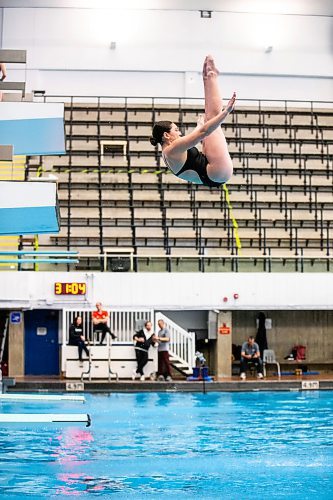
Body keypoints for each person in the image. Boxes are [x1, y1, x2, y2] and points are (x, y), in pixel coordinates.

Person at [150, 55, 236, 188]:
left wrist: (198, 126)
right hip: (216, 171)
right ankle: (210, 77)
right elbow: (203, 132)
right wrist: (226, 112)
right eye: (176, 130)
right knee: (212, 117)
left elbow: (194, 136)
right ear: (166, 135)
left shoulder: (168, 151)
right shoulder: (172, 149)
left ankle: (208, 77)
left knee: (209, 117)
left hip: (211, 173)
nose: (179, 133)